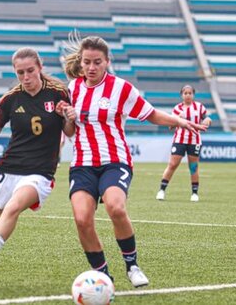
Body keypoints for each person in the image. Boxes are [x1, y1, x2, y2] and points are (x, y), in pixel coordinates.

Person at [59, 34, 207, 287]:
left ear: (107, 62)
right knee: (82, 219)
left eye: (97, 62)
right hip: (82, 164)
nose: (91, 67)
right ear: (81, 63)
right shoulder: (72, 89)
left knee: (116, 207)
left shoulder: (121, 88)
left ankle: (132, 266)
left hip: (115, 161)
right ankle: (103, 274)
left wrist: (180, 121)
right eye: (87, 62)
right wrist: (68, 118)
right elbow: (70, 132)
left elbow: (150, 114)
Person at [0, 47, 75, 283]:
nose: (26, 77)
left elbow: (69, 132)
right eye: (20, 73)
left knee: (13, 207)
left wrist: (69, 117)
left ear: (40, 68)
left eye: (30, 71)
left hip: (40, 171)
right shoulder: (9, 99)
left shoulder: (58, 93)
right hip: (8, 167)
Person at [156, 85, 211, 202]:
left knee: (193, 167)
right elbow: (170, 126)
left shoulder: (199, 107)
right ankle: (161, 190)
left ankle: (194, 193)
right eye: (185, 93)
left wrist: (207, 121)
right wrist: (177, 120)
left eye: (190, 93)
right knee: (172, 165)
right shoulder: (177, 109)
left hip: (194, 141)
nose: (187, 95)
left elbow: (207, 119)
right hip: (180, 140)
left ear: (193, 94)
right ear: (182, 95)